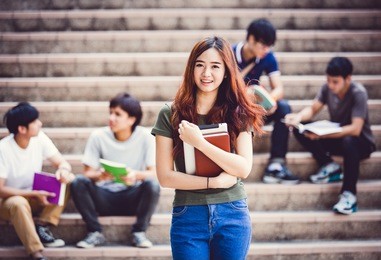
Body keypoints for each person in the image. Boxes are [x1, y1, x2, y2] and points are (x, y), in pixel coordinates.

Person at [152, 36, 265, 260]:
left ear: (226, 71)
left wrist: (199, 142)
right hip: (189, 215)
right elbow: (165, 177)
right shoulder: (170, 113)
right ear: (191, 69)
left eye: (215, 66)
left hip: (232, 212)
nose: (206, 74)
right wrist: (212, 183)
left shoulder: (239, 113)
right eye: (200, 65)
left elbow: (243, 168)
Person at [284, 57, 376, 214]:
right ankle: (330, 166)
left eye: (335, 82)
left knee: (349, 141)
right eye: (328, 81)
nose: (331, 85)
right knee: (300, 129)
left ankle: (349, 195)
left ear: (348, 79)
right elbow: (313, 110)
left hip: (361, 143)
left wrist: (322, 136)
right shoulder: (327, 88)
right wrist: (298, 117)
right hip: (338, 137)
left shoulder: (358, 93)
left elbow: (355, 129)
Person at [70, 92, 160, 249]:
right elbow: (88, 173)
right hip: (104, 197)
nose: (111, 118)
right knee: (78, 182)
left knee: (152, 185)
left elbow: (153, 173)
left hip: (132, 197)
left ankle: (139, 232)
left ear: (132, 119)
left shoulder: (146, 137)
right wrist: (101, 176)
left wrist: (134, 175)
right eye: (111, 112)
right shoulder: (98, 136)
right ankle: (94, 232)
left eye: (117, 114)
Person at [0, 102, 75, 260]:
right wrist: (32, 193)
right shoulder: (3, 149)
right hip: (8, 202)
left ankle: (42, 225)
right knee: (18, 202)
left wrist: (64, 171)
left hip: (35, 197)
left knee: (67, 181)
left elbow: (63, 162)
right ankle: (36, 253)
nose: (40, 123)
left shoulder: (39, 138)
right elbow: (1, 189)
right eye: (34, 121)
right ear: (22, 129)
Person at [232, 18, 299, 184]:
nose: (266, 49)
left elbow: (279, 89)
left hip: (254, 109)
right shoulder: (229, 54)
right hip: (232, 110)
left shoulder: (268, 57)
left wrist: (269, 100)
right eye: (263, 45)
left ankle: (276, 165)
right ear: (251, 39)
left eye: (270, 46)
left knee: (283, 107)